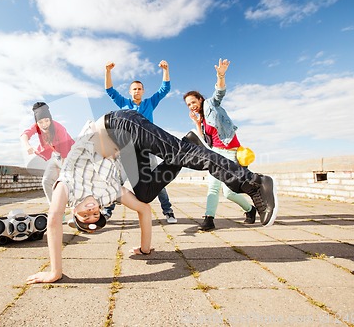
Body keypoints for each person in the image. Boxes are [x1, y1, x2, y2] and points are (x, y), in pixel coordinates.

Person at [26, 109, 278, 284]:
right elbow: (143, 210)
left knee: (179, 153)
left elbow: (53, 221)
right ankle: (191, 143)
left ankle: (254, 183)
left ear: (74, 211)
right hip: (126, 148)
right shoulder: (109, 194)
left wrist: (55, 271)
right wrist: (145, 248)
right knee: (145, 194)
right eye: (96, 214)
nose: (92, 210)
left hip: (118, 124)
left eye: (85, 214)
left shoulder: (67, 188)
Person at [183, 59, 257, 231]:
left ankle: (250, 209)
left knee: (229, 192)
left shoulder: (210, 104)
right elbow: (205, 141)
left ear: (200, 99)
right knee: (214, 187)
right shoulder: (201, 119)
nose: (192, 106)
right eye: (188, 105)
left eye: (193, 102)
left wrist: (221, 75)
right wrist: (196, 123)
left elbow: (219, 92)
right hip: (216, 152)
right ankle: (209, 219)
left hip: (230, 150)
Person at [102, 59, 177, 224]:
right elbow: (110, 90)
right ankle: (107, 211)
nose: (137, 91)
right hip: (127, 149)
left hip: (147, 148)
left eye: (139, 89)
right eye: (134, 89)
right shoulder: (125, 103)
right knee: (118, 181)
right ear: (130, 92)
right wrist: (108, 72)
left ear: (143, 91)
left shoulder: (150, 103)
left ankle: (168, 211)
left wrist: (166, 69)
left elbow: (165, 89)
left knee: (157, 180)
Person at [20, 102, 75, 223]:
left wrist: (62, 175)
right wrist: (27, 145)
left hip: (70, 156)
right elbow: (24, 135)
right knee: (46, 182)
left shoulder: (59, 129)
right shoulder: (36, 126)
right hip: (56, 156)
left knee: (69, 183)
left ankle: (77, 213)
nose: (44, 125)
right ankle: (57, 212)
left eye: (46, 121)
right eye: (40, 122)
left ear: (50, 119)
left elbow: (65, 155)